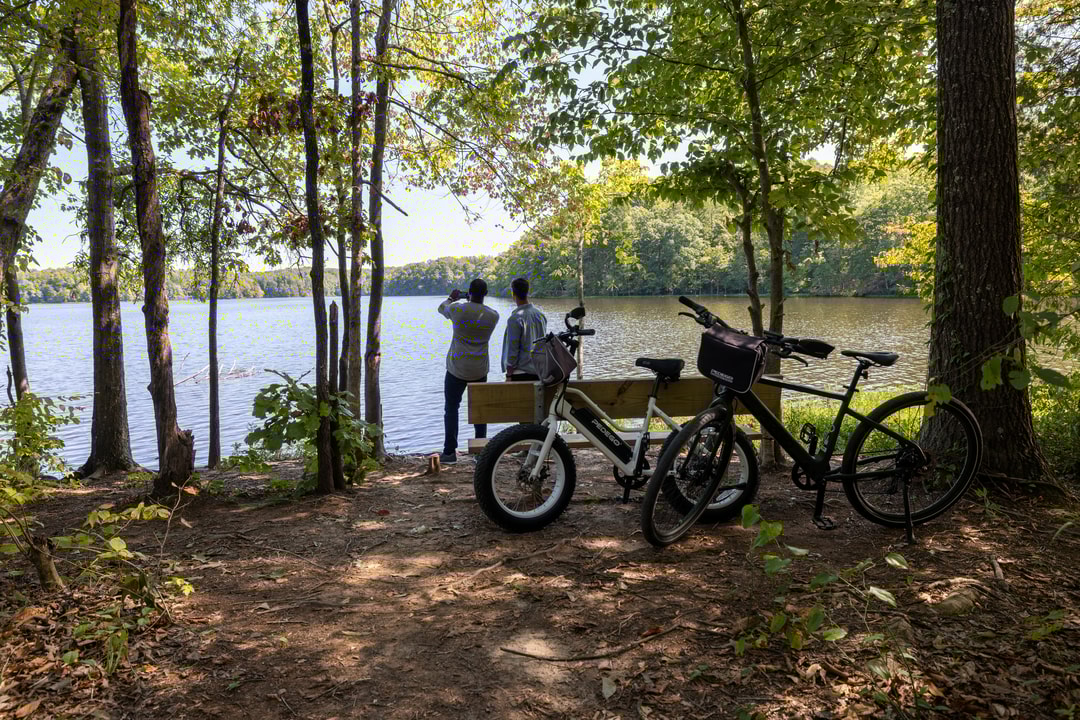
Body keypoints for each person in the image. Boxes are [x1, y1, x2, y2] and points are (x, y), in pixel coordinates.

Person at [438, 278, 499, 464]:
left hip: (456, 369)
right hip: (479, 370)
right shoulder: (493, 315)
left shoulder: (458, 309)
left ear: (469, 292)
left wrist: (451, 298)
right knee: (479, 410)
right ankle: (480, 452)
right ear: (486, 294)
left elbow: (442, 308)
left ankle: (449, 452)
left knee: (451, 408)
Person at [501, 277, 548, 382]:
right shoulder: (540, 316)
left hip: (521, 373)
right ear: (528, 292)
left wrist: (509, 375)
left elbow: (513, 350)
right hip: (539, 371)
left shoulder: (515, 319)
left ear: (513, 294)